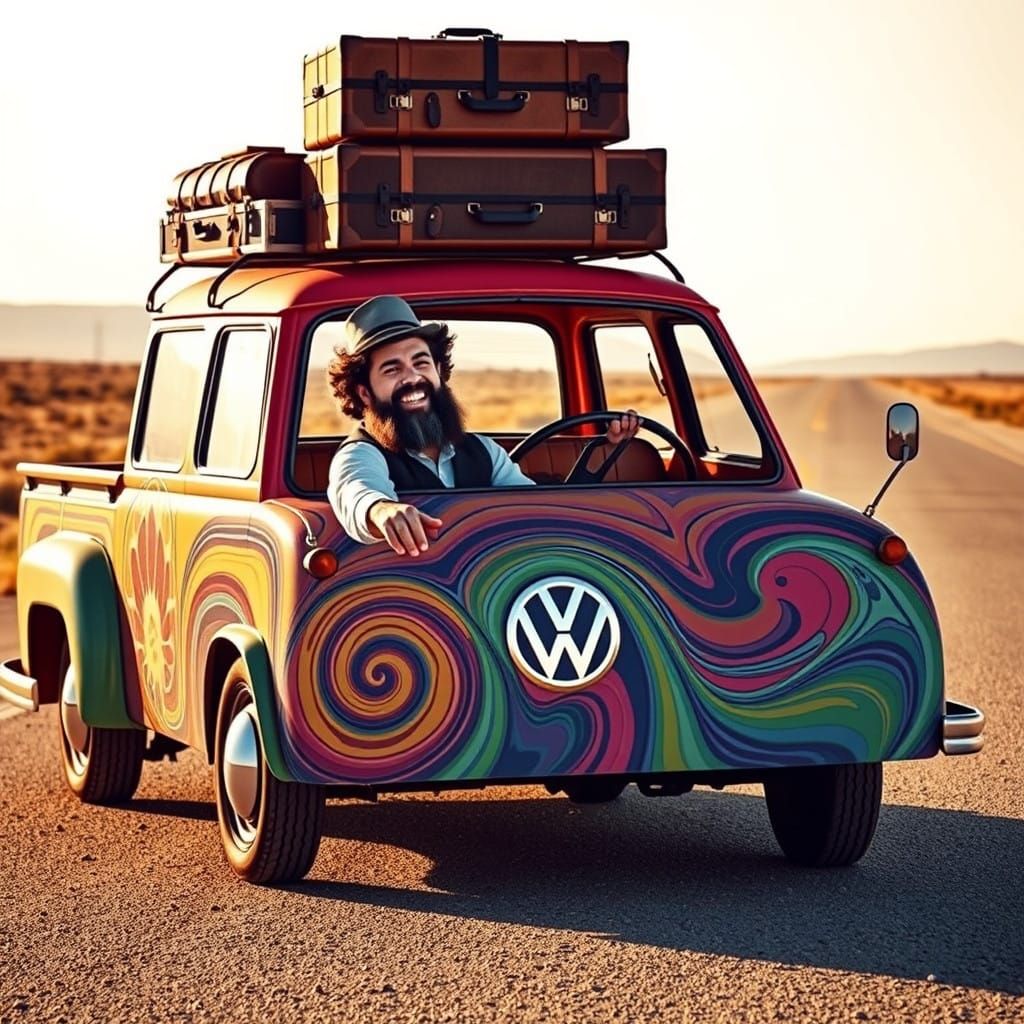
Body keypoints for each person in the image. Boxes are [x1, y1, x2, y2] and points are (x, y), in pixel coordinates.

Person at [326, 295, 638, 556]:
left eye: (421, 363)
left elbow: (533, 509)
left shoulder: (483, 451)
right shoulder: (361, 454)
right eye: (392, 370)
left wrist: (604, 452)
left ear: (438, 371)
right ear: (364, 392)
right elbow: (356, 491)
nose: (412, 378)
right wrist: (382, 510)